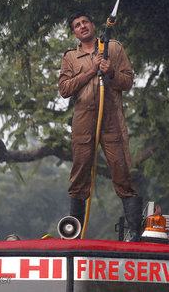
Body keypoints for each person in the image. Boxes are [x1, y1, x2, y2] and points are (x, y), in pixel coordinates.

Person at [58, 12, 143, 241]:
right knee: (79, 175)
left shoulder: (112, 48)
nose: (82, 26)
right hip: (83, 121)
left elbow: (128, 81)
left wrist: (110, 72)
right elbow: (64, 89)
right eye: (77, 25)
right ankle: (73, 234)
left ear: (93, 25)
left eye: (85, 22)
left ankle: (135, 234)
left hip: (111, 119)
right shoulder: (70, 57)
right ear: (74, 33)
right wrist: (90, 70)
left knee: (121, 171)